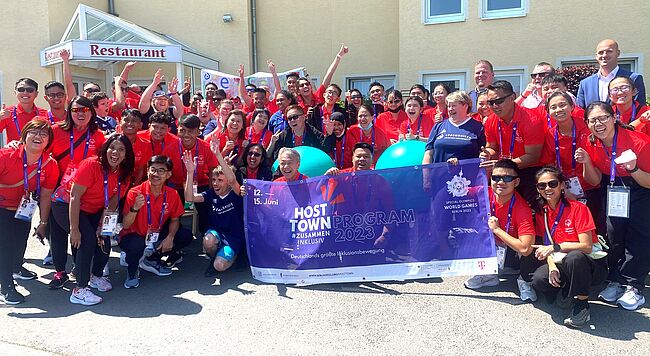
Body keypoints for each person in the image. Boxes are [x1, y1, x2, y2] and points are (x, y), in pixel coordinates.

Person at [575, 101, 650, 311]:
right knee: (613, 236)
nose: (598, 124)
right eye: (592, 120)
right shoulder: (590, 142)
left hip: (640, 188)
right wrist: (587, 162)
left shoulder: (639, 141)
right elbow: (594, 180)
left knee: (638, 238)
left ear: (614, 118)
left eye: (603, 118)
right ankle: (616, 280)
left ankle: (634, 286)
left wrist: (633, 169)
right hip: (612, 188)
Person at [526, 166, 607, 329]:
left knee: (574, 257)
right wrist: (552, 267)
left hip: (590, 264)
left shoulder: (578, 208)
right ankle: (569, 292)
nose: (548, 188)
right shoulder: (543, 213)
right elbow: (547, 246)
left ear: (562, 185)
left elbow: (586, 247)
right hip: (562, 261)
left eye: (553, 183)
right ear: (538, 189)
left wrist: (557, 247)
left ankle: (582, 305)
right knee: (538, 279)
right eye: (542, 186)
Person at [66, 135, 134, 305]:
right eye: (112, 147)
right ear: (105, 149)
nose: (115, 153)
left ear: (126, 154)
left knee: (104, 238)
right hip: (70, 205)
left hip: (96, 209)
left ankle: (96, 276)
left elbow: (112, 201)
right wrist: (74, 229)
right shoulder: (91, 165)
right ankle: (79, 290)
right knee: (86, 240)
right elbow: (74, 197)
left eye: (121, 149)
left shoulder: (124, 172)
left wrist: (103, 225)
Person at [0, 120, 58, 304]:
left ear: (49, 140)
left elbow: (46, 196)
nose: (38, 136)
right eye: (34, 132)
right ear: (24, 135)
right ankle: (6, 285)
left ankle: (16, 268)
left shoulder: (50, 165)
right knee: (5, 247)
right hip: (1, 208)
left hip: (23, 210)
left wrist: (43, 222)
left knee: (19, 242)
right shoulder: (5, 156)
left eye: (43, 134)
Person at [119, 155, 192, 288]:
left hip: (155, 234)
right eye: (152, 169)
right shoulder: (135, 192)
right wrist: (134, 208)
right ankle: (132, 270)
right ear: (147, 171)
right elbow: (126, 224)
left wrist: (169, 237)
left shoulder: (172, 194)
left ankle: (151, 260)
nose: (155, 174)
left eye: (161, 171)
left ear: (168, 174)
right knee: (136, 244)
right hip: (134, 235)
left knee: (184, 236)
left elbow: (175, 219)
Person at [464, 160, 535, 295]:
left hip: (512, 252)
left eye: (507, 178)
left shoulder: (522, 208)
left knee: (529, 247)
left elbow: (525, 249)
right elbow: (455, 191)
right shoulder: (483, 192)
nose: (501, 182)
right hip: (493, 247)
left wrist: (497, 230)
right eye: (496, 178)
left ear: (516, 182)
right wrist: (452, 169)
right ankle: (488, 275)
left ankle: (523, 278)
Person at [540, 92, 603, 236]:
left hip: (592, 188)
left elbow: (597, 173)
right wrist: (563, 191)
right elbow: (549, 166)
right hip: (565, 191)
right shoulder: (550, 134)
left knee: (596, 233)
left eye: (562, 105)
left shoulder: (588, 128)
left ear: (572, 107)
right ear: (548, 112)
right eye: (553, 107)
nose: (558, 110)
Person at [184, 140, 245, 277]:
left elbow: (232, 180)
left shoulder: (235, 193)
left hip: (233, 237)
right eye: (214, 180)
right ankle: (213, 258)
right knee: (208, 241)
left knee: (219, 266)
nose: (216, 183)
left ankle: (232, 256)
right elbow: (189, 198)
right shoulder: (211, 194)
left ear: (227, 183)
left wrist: (217, 154)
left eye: (220, 180)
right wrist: (190, 172)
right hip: (216, 233)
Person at [480, 80, 545, 204]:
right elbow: (492, 148)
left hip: (528, 170)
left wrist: (504, 166)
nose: (494, 106)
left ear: (512, 97)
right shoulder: (491, 120)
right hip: (503, 169)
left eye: (499, 101)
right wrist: (487, 154)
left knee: (532, 209)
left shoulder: (532, 120)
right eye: (491, 102)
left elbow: (533, 157)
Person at [577, 39, 646, 108]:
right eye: (601, 52)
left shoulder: (633, 78)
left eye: (609, 51)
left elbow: (640, 110)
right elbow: (580, 112)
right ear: (596, 56)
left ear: (618, 53)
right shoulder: (585, 84)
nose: (604, 55)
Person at [424, 91, 485, 164]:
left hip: (467, 174)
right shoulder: (439, 126)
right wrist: (426, 174)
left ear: (465, 106)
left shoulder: (478, 127)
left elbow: (483, 153)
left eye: (454, 106)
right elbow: (429, 153)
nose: (450, 109)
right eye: (449, 106)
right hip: (439, 174)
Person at [266, 105, 335, 162]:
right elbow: (276, 158)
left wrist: (329, 134)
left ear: (303, 117)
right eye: (289, 119)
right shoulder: (283, 136)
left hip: (310, 169)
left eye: (295, 117)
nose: (292, 120)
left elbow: (325, 150)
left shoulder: (315, 133)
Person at [0, 78, 46, 143]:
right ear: (15, 93)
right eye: (21, 89)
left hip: (39, 152)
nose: (25, 92)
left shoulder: (44, 114)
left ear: (36, 94)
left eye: (30, 90)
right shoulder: (7, 113)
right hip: (15, 152)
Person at [119, 109, 153, 185]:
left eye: (134, 121)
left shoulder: (146, 144)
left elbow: (141, 170)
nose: (130, 123)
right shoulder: (111, 142)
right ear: (120, 123)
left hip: (134, 181)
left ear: (140, 125)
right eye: (126, 120)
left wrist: (135, 190)